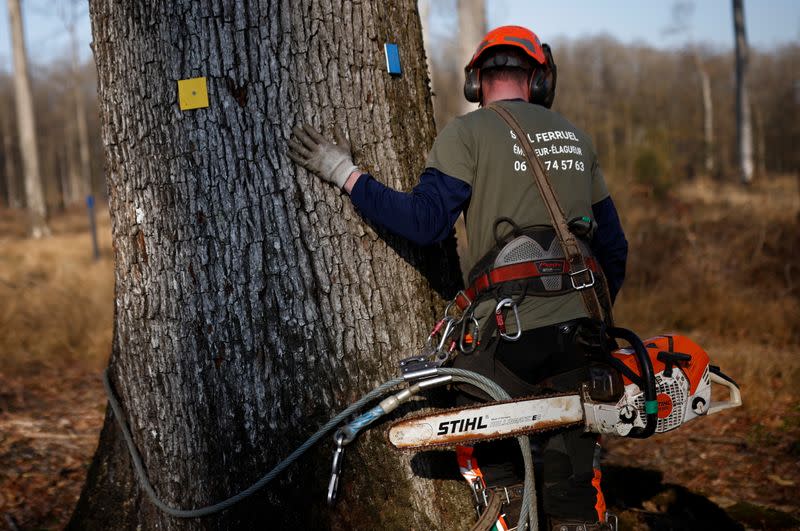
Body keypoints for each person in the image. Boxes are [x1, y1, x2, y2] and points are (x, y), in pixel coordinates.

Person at [288, 25, 627, 531]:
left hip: (506, 340)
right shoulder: (577, 139)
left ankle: (508, 501)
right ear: (540, 79)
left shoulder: (467, 133)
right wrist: (582, 314)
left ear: (476, 82)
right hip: (580, 335)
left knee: (497, 461)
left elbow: (424, 225)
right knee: (573, 479)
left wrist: (345, 173)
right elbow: (614, 249)